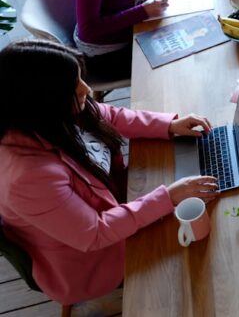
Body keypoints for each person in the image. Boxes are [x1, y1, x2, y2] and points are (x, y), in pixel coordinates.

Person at [0, 40, 218, 306]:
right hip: (91, 260)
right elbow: (95, 233)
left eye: (80, 78)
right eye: (74, 86)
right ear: (42, 100)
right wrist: (169, 197)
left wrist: (169, 125)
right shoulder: (27, 178)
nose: (86, 89)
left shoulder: (53, 113)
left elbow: (109, 115)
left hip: (119, 203)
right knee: (207, 262)